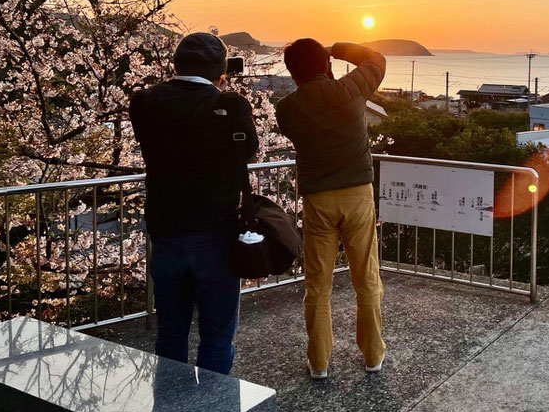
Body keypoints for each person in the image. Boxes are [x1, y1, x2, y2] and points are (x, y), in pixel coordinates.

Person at [129, 32, 258, 375]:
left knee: (170, 333)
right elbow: (248, 151)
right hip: (215, 233)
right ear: (220, 68)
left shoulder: (143, 101)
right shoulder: (230, 105)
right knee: (216, 335)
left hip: (165, 231)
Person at [275, 39, 386, 379]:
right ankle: (372, 355)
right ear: (326, 64)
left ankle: (319, 362)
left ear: (293, 73)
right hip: (357, 194)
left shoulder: (287, 108)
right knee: (366, 277)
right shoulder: (350, 89)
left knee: (318, 284)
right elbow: (376, 59)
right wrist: (337, 48)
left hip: (318, 198)